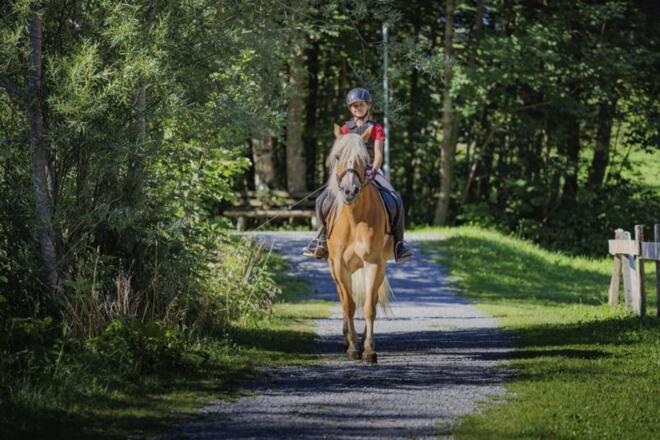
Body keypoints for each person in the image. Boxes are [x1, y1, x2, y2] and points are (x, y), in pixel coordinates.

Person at [303, 87, 413, 262]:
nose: (357, 108)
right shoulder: (346, 129)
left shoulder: (375, 128)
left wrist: (373, 170)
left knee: (395, 198)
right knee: (321, 200)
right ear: (350, 108)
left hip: (370, 170)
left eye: (360, 105)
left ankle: (399, 244)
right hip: (348, 172)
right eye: (354, 106)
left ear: (368, 105)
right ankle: (321, 240)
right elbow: (341, 153)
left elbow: (378, 154)